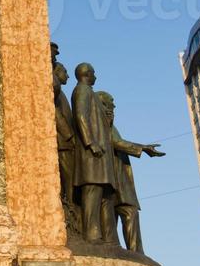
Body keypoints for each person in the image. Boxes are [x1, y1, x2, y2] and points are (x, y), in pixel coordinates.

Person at [97, 91, 165, 254]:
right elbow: (116, 142)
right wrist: (143, 148)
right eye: (110, 102)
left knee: (118, 213)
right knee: (129, 211)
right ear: (103, 104)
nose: (114, 105)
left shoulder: (108, 123)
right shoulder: (102, 123)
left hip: (116, 176)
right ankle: (135, 252)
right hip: (115, 177)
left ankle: (128, 251)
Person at [71, 63, 118, 244]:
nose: (95, 76)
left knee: (104, 195)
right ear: (87, 74)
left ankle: (109, 238)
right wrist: (91, 143)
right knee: (92, 192)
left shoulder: (90, 93)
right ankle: (91, 234)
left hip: (100, 154)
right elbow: (81, 116)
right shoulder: (82, 91)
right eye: (93, 73)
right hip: (91, 153)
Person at [53, 61, 80, 235]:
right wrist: (69, 135)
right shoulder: (54, 86)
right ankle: (70, 211)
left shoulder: (61, 93)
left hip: (65, 142)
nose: (67, 76)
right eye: (65, 71)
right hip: (63, 143)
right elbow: (54, 112)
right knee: (69, 179)